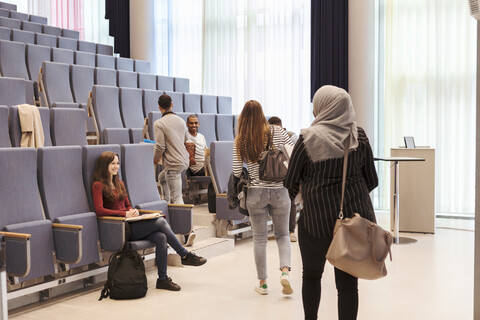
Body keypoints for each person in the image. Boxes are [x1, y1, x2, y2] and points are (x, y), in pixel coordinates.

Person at [284, 85, 378, 320]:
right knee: (347, 284)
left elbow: (290, 184)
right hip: (352, 225)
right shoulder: (360, 136)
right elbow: (372, 181)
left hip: (315, 221)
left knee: (312, 276)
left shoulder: (306, 139)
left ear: (322, 107)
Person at [92, 151, 207, 291]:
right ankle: (184, 254)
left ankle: (163, 279)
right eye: (112, 164)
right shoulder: (98, 185)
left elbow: (127, 205)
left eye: (117, 163)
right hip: (120, 228)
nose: (116, 166)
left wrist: (132, 211)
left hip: (130, 222)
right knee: (161, 222)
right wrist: (124, 214)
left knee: (161, 236)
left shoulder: (119, 183)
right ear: (105, 165)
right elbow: (99, 210)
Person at [233, 100, 294, 296]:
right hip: (280, 190)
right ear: (262, 114)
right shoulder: (278, 131)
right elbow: (293, 155)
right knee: (283, 235)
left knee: (259, 239)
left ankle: (263, 283)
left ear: (243, 117)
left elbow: (236, 171)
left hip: (255, 193)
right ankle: (285, 273)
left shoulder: (241, 139)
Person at [153, 94, 195, 246]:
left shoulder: (159, 123)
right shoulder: (180, 121)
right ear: (172, 104)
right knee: (162, 178)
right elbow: (185, 141)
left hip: (172, 163)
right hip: (183, 161)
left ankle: (188, 231)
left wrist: (155, 159)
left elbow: (160, 146)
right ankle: (165, 202)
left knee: (177, 197)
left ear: (159, 107)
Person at [268, 116, 298, 242]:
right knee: (276, 203)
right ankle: (279, 231)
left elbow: (293, 153)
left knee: (290, 201)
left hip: (286, 172)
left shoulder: (289, 136)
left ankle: (291, 231)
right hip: (273, 174)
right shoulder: (266, 138)